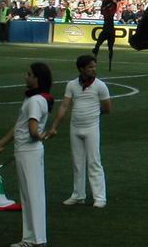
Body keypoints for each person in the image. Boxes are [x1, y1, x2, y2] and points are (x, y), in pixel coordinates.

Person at [0, 62, 54, 247]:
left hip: (28, 151)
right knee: (32, 194)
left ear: (36, 78)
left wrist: (40, 136)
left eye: (29, 74)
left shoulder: (35, 101)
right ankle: (35, 237)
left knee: (30, 194)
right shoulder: (36, 99)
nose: (25, 76)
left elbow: (33, 129)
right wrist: (2, 143)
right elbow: (21, 125)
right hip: (28, 150)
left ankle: (34, 238)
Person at [46, 55, 112, 207]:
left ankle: (100, 197)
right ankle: (78, 195)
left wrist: (94, 114)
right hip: (75, 127)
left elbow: (108, 108)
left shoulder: (100, 86)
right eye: (90, 67)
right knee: (77, 162)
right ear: (81, 69)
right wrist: (54, 126)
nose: (94, 69)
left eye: (94, 66)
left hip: (91, 128)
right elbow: (64, 106)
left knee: (94, 162)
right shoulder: (72, 85)